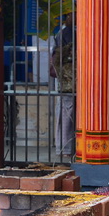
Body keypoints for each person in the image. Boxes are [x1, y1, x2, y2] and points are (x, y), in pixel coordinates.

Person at [49, 21, 75, 159]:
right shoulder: (66, 33)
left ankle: (65, 148)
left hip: (69, 81)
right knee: (67, 113)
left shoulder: (65, 33)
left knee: (67, 114)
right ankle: (65, 148)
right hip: (68, 80)